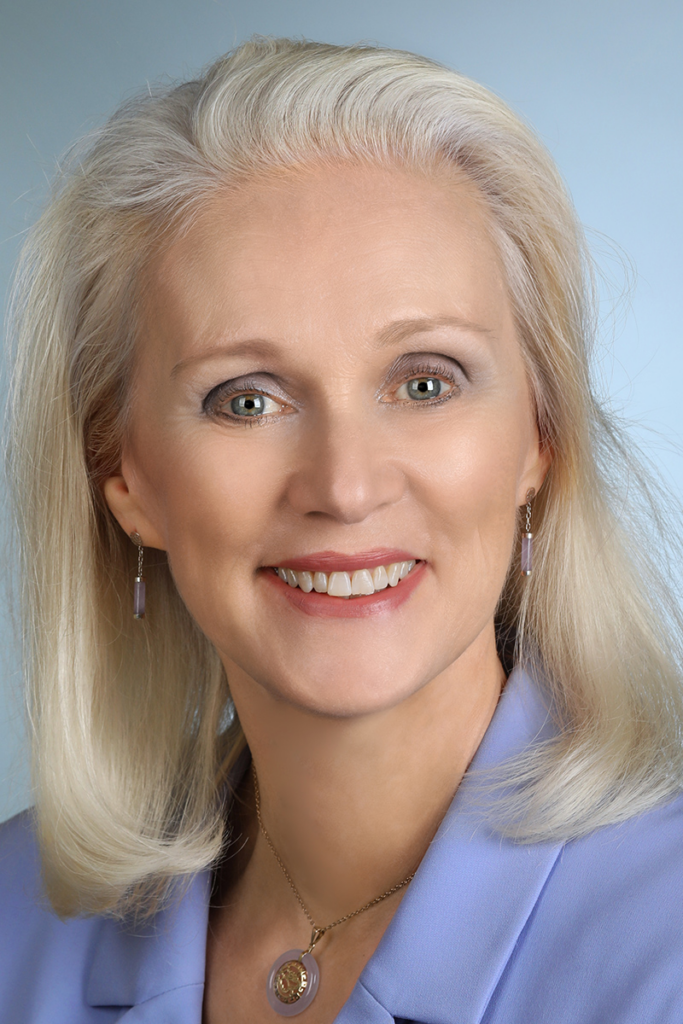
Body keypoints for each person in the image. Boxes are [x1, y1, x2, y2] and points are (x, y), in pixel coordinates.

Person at [1, 35, 682, 1024]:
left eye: (422, 381)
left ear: (539, 438)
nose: (344, 486)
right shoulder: (16, 918)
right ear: (127, 477)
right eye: (244, 400)